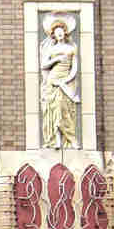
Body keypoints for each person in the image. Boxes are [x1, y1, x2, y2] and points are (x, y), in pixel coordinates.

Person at [40, 19, 80, 150]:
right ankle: (56, 140)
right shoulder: (52, 50)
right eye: (57, 33)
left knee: (65, 109)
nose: (60, 34)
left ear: (65, 32)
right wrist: (56, 59)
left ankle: (70, 138)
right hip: (53, 81)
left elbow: (74, 68)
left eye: (61, 31)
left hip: (65, 81)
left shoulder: (71, 49)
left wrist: (68, 79)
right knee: (55, 109)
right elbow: (44, 65)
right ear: (53, 35)